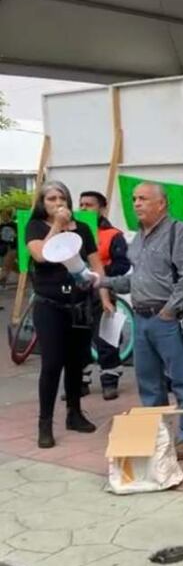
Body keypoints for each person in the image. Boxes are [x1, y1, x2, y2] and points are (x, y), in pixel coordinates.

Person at [98, 182, 183, 460]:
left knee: (182, 380)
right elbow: (136, 279)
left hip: (165, 318)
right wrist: (104, 282)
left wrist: (168, 312)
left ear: (162, 204)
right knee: (148, 382)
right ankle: (159, 434)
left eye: (143, 199)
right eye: (134, 199)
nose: (136, 204)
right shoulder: (139, 238)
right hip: (141, 317)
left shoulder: (179, 232)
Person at [25, 181, 108, 448]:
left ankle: (75, 413)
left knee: (76, 361)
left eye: (62, 197)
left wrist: (104, 296)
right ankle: (44, 423)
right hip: (50, 305)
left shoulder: (83, 228)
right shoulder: (36, 226)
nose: (57, 202)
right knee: (52, 364)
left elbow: (96, 264)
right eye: (51, 198)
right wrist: (57, 226)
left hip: (79, 304)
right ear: (42, 203)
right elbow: (41, 256)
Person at [78, 191, 131, 400]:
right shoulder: (72, 231)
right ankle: (79, 382)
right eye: (81, 204)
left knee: (106, 338)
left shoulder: (113, 235)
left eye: (89, 205)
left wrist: (101, 271)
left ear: (102, 208)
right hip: (76, 294)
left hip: (104, 290)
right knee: (77, 339)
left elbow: (123, 264)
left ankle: (109, 381)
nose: (83, 209)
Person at [0, 208, 16, 289]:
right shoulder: (1, 226)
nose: (3, 216)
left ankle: (2, 283)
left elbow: (17, 237)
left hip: (11, 249)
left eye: (4, 215)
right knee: (5, 266)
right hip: (2, 249)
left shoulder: (14, 225)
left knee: (6, 267)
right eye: (2, 215)